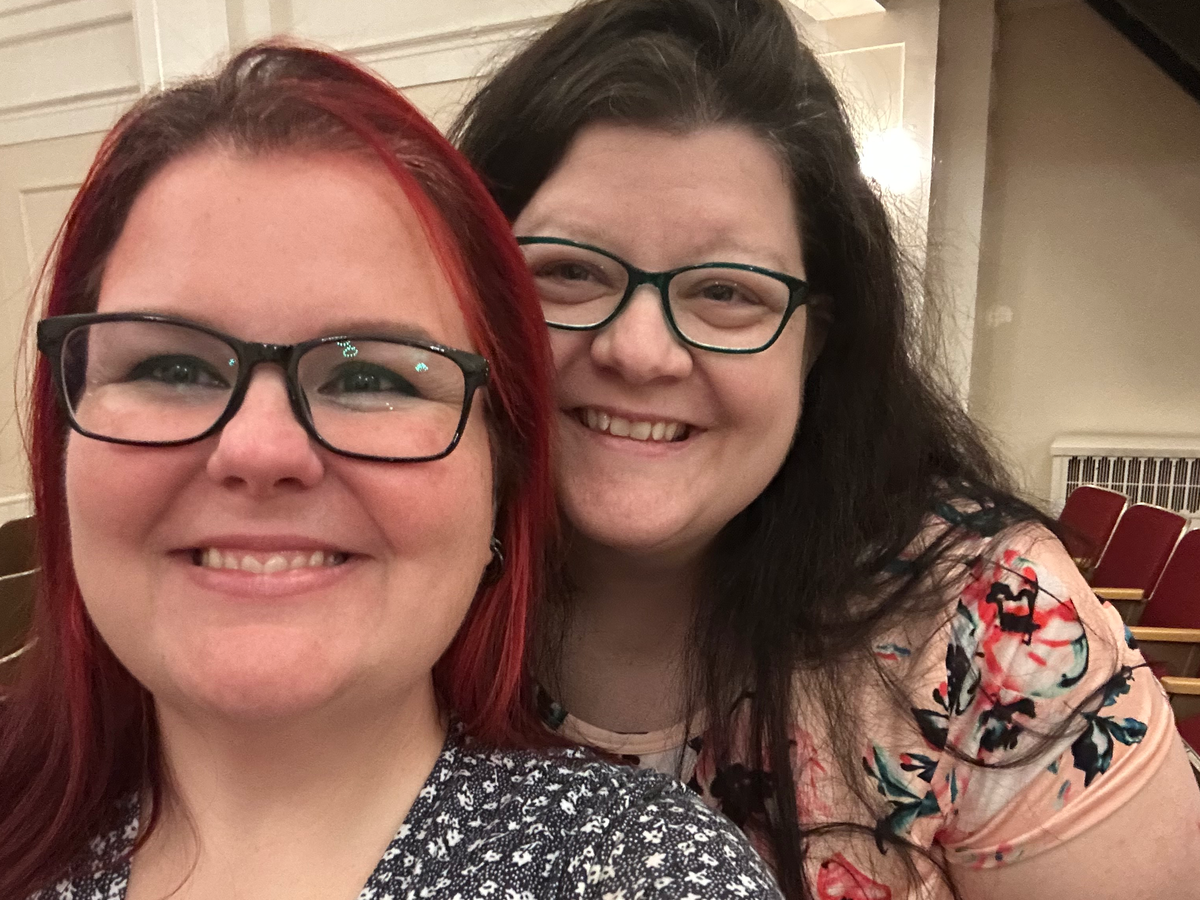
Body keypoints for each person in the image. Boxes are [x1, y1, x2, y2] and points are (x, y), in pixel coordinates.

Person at [0, 43, 784, 900]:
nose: (258, 451)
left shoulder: (646, 874)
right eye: (170, 368)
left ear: (501, 483)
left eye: (371, 379)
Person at [451, 0, 1200, 896]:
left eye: (727, 291)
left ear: (814, 344)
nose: (641, 352)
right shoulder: (395, 577)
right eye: (569, 272)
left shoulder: (991, 631)